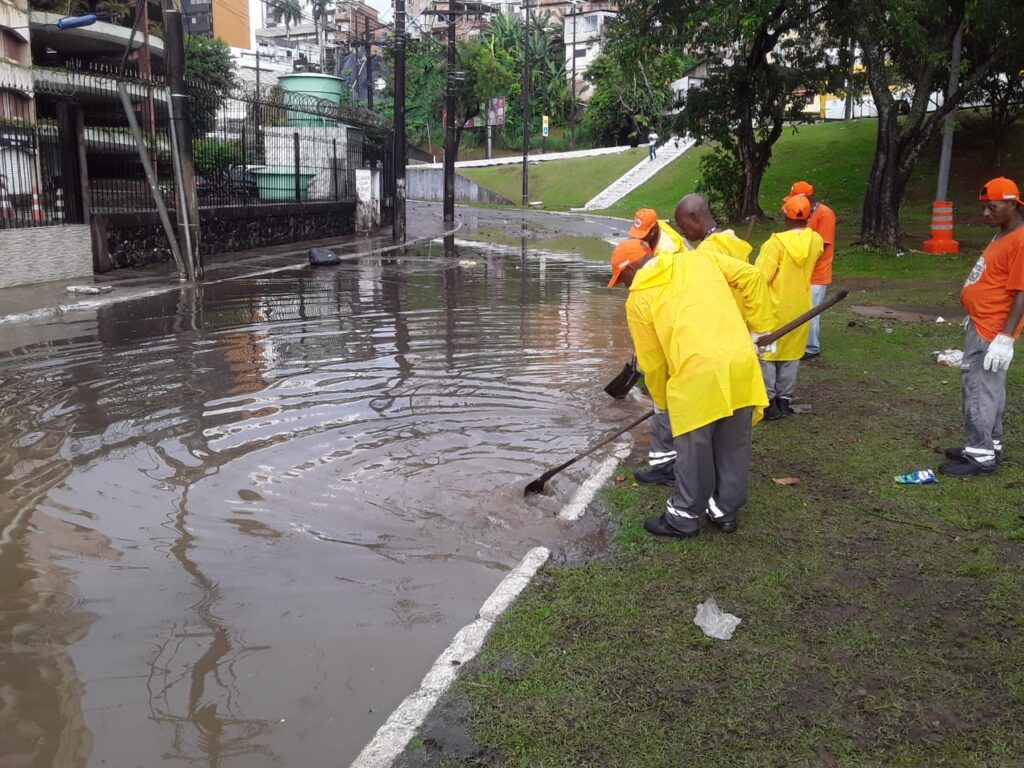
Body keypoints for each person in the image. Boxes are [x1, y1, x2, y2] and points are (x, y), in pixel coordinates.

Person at [608, 204, 774, 539]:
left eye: (621, 280)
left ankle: (684, 516)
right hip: (740, 360)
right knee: (733, 444)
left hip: (696, 373)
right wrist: (760, 330)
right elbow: (751, 276)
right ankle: (725, 511)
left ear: (630, 270)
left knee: (693, 449)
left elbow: (652, 362)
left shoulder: (638, 298)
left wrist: (661, 403)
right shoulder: (699, 258)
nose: (624, 286)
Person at [939, 177, 1024, 477]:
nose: (986, 214)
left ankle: (980, 455)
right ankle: (989, 444)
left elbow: (1021, 291)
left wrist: (1005, 335)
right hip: (983, 321)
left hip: (992, 328)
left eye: (993, 207)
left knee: (977, 387)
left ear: (1012, 205)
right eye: (984, 208)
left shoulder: (1020, 240)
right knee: (990, 387)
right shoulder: (1005, 233)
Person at [624, 209, 690, 486]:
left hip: (678, 322)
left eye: (644, 237)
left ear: (654, 231)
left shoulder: (668, 254)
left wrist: (648, 351)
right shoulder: (657, 237)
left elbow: (656, 303)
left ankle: (666, 466)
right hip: (681, 323)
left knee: (666, 400)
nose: (641, 241)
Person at [754, 194, 824, 419]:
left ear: (786, 216)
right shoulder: (815, 241)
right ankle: (785, 399)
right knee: (792, 354)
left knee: (768, 353)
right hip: (801, 307)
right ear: (808, 217)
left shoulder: (775, 243)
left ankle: (769, 402)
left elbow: (760, 277)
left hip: (773, 307)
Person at [788, 180, 836, 360]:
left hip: (817, 272)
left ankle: (812, 347)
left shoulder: (825, 214)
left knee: (812, 310)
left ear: (805, 198)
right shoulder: (807, 213)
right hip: (804, 271)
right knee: (803, 308)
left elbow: (821, 244)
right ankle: (803, 344)